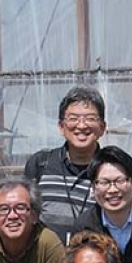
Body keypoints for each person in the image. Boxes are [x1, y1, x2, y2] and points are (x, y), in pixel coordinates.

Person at [24, 87, 107, 244]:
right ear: (62, 127)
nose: (81, 126)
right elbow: (26, 215)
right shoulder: (41, 164)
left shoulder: (110, 170)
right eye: (73, 118)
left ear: (102, 127)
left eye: (90, 118)